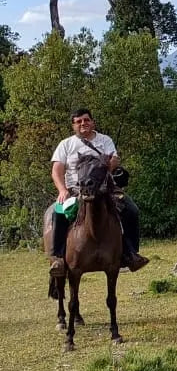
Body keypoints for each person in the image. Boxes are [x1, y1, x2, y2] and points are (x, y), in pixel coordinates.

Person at [49, 108, 148, 276]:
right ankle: (58, 258)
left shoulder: (105, 140)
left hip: (105, 188)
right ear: (73, 125)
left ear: (92, 122)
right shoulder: (66, 144)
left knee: (131, 210)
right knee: (57, 213)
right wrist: (62, 190)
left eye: (86, 120)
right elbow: (56, 170)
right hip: (76, 189)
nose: (83, 123)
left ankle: (131, 254)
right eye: (78, 121)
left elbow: (114, 160)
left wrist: (109, 164)